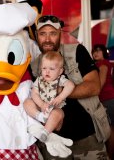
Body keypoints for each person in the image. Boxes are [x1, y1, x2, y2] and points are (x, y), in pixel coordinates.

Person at [28, 15, 109, 159]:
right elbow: (31, 97)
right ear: (36, 36)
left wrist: (60, 92)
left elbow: (94, 86)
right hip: (54, 141)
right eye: (42, 34)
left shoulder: (77, 51)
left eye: (52, 33)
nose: (47, 39)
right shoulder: (34, 65)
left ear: (60, 33)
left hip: (87, 136)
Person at [24, 51, 75, 142]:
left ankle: (45, 132)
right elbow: (34, 93)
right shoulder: (40, 80)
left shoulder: (60, 79)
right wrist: (42, 104)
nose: (47, 71)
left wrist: (60, 97)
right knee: (27, 102)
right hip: (40, 108)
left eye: (51, 69)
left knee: (58, 114)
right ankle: (40, 117)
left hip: (54, 108)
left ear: (60, 71)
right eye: (44, 68)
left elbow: (70, 85)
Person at [92, 44, 114, 159]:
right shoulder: (100, 64)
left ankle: (110, 156)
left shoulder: (103, 64)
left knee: (109, 130)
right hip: (108, 98)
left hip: (107, 99)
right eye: (94, 51)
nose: (95, 53)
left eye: (99, 51)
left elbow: (100, 84)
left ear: (103, 53)